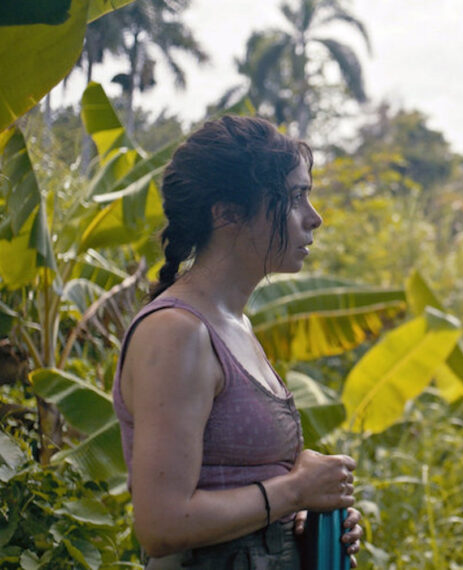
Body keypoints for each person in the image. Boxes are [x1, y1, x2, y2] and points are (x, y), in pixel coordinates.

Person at [113, 115, 364, 568]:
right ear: (227, 212)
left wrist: (306, 518)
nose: (315, 217)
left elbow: (238, 487)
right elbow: (162, 524)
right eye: (294, 198)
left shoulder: (234, 325)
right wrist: (295, 491)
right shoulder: (177, 331)